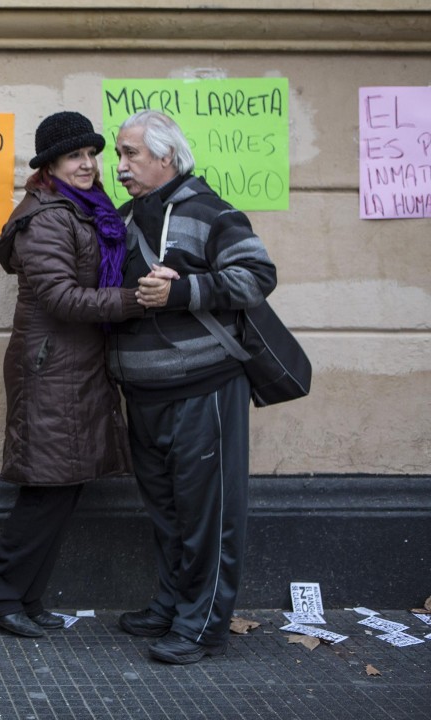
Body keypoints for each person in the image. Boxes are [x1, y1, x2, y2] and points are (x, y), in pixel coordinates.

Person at [0, 111, 159, 638]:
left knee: (64, 486)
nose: (88, 164)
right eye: (75, 155)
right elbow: (61, 297)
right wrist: (136, 301)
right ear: (50, 165)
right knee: (47, 489)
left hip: (73, 365)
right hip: (50, 368)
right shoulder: (48, 217)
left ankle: (24, 595)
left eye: (92, 154)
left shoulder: (83, 209)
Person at [108, 110, 277, 665]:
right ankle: (171, 605)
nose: (120, 165)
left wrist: (183, 291)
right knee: (167, 512)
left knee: (209, 515)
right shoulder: (124, 218)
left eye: (131, 153)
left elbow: (257, 277)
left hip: (205, 387)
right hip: (143, 391)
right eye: (118, 154)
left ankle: (202, 625)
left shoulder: (211, 212)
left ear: (166, 156)